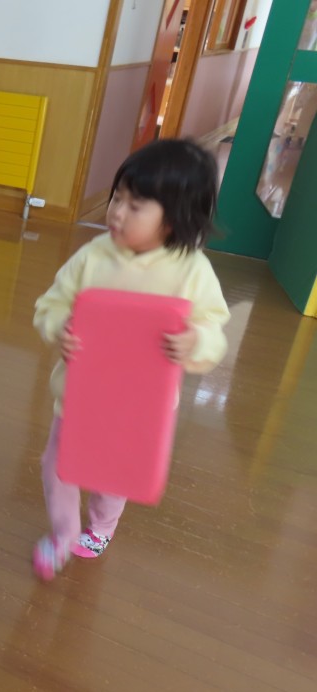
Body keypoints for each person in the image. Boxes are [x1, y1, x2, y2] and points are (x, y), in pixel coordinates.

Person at [31, 139, 231, 580]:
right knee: (59, 466)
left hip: (140, 407)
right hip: (80, 397)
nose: (117, 213)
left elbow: (214, 331)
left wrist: (195, 342)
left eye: (135, 206)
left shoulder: (192, 270)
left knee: (113, 473)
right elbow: (50, 304)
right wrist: (59, 326)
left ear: (173, 218)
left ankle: (100, 527)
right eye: (117, 198)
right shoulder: (92, 256)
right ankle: (64, 532)